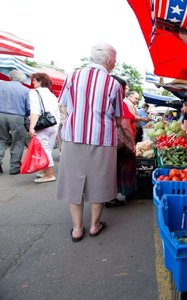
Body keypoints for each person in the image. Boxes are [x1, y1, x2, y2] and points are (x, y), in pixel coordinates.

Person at [56, 42, 124, 242]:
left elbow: (65, 107)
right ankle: (94, 225)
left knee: (72, 183)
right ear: (109, 61)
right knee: (99, 183)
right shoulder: (113, 84)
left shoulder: (73, 76)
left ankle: (77, 228)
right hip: (102, 139)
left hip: (73, 137)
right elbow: (118, 117)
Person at [105, 75, 137, 208]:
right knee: (125, 166)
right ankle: (125, 192)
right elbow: (125, 125)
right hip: (121, 143)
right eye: (124, 88)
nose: (125, 91)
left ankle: (109, 196)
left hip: (109, 142)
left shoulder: (105, 100)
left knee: (111, 169)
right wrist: (132, 142)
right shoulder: (120, 103)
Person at [28, 72, 60, 183]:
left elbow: (35, 111)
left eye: (34, 80)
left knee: (44, 149)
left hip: (43, 125)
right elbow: (57, 112)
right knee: (48, 148)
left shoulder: (34, 93)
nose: (32, 82)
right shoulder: (52, 95)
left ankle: (50, 174)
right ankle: (44, 171)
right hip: (53, 124)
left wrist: (31, 127)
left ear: (40, 81)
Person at [0, 70, 30, 175]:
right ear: (22, 79)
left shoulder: (1, 84)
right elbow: (28, 108)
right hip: (17, 117)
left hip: (0, 115)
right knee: (18, 141)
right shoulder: (26, 90)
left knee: (1, 139)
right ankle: (14, 167)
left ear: (10, 77)